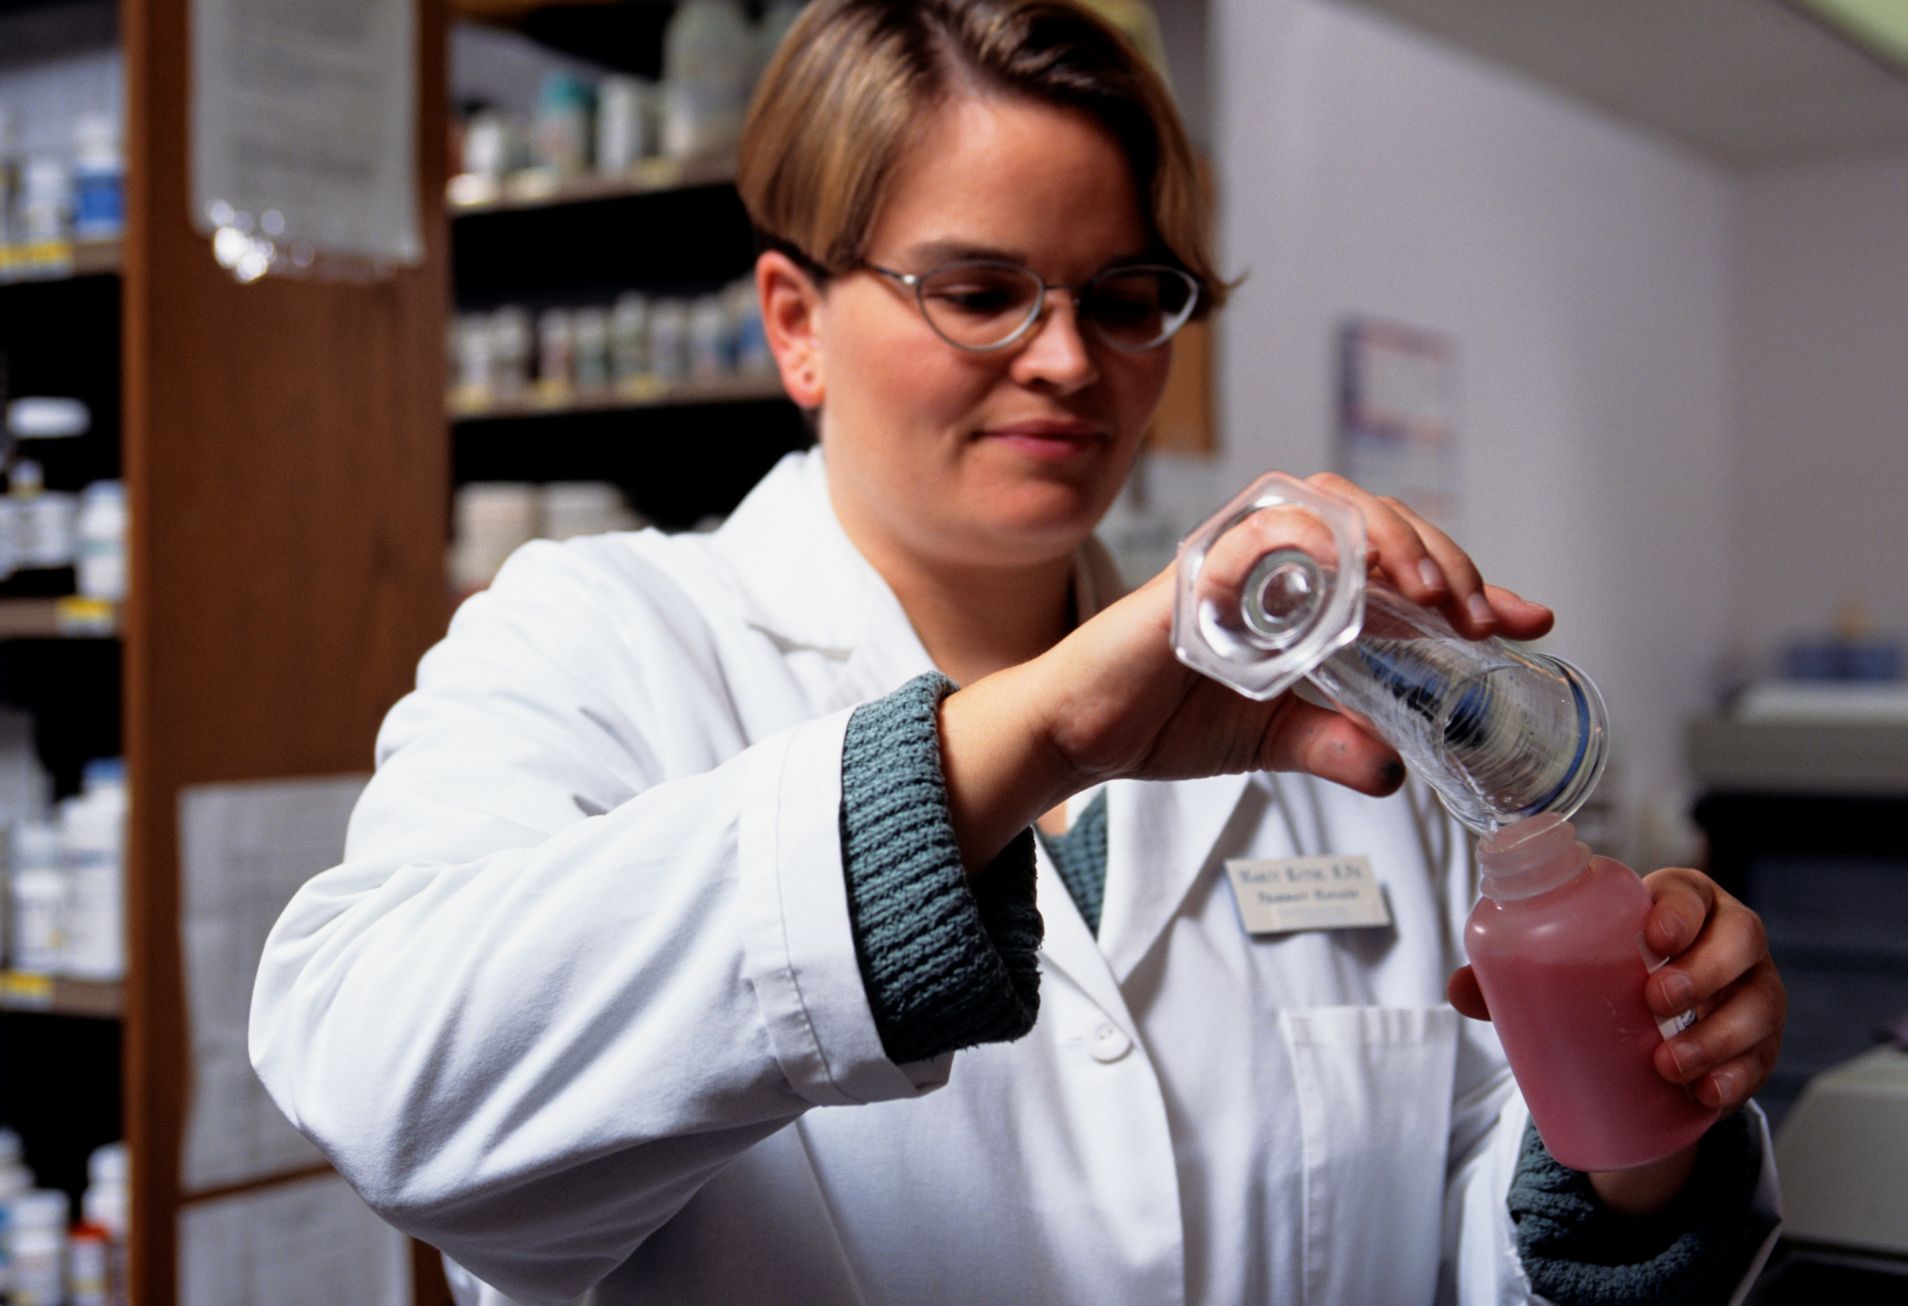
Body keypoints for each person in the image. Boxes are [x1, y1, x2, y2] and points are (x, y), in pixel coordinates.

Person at [250, 2, 1785, 1302]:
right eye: (980, 291)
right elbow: (392, 1081)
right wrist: (1033, 737)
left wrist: (1630, 1127)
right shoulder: (598, 641)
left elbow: (1462, 1212)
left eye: (1126, 298)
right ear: (796, 322)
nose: (1067, 360)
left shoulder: (1331, 710)